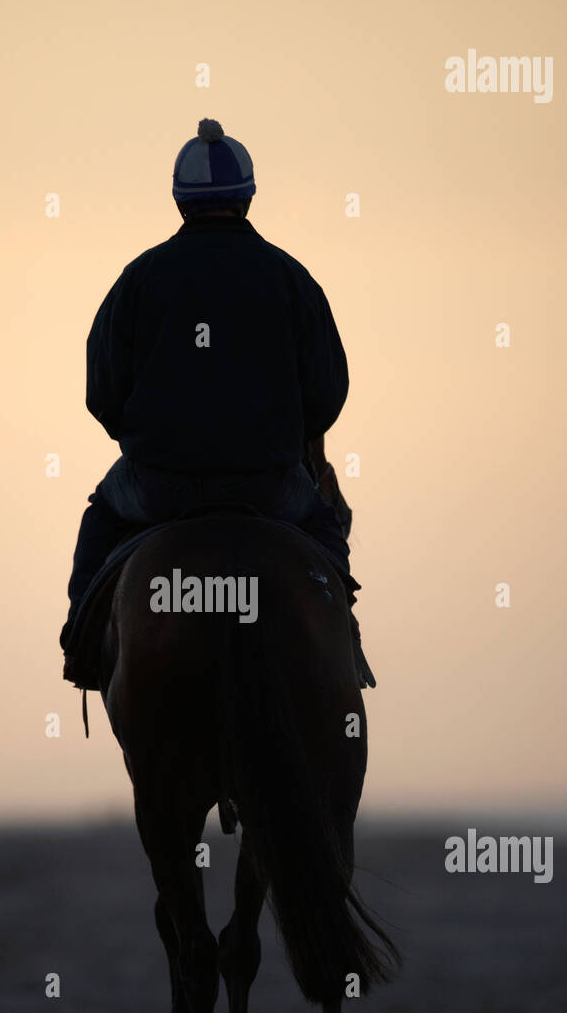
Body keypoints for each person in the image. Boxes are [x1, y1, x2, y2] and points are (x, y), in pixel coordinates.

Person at [61, 118, 375, 688]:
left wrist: (149, 436)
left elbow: (101, 393)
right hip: (268, 485)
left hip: (158, 486)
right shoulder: (290, 277)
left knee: (102, 518)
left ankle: (79, 650)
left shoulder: (138, 278)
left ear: (180, 201)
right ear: (248, 197)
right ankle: (345, 648)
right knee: (326, 534)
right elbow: (327, 396)